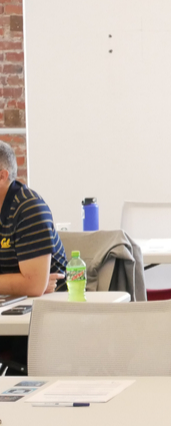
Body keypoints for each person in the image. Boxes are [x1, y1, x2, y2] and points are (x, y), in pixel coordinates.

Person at [0, 141, 66, 374]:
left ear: (2, 176)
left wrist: (28, 284)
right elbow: (31, 283)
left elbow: (34, 285)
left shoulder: (28, 207)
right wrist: (19, 283)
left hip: (44, 322)